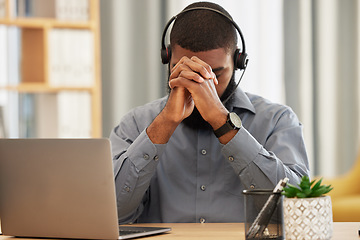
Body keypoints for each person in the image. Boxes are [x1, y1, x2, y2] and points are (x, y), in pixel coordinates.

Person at [110, 1, 309, 224]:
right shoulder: (136, 124)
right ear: (168, 60)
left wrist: (222, 121)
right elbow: (112, 215)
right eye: (184, 71)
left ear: (238, 62)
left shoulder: (277, 120)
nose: (200, 86)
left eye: (214, 75)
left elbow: (297, 211)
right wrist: (164, 123)